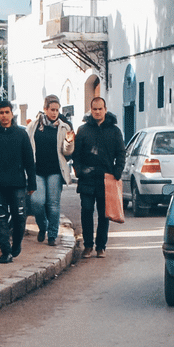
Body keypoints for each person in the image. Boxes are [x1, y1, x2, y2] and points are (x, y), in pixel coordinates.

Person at [0, 100, 35, 263]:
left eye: (7, 112)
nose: (4, 116)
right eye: (1, 112)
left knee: (19, 217)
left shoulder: (21, 134)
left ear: (12, 114)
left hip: (17, 184)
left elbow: (29, 161)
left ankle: (16, 244)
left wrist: (32, 183)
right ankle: (6, 251)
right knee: (1, 218)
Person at [73, 94, 126, 258]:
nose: (97, 112)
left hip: (107, 179)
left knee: (104, 214)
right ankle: (88, 246)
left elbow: (121, 154)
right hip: (87, 179)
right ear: (91, 110)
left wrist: (117, 172)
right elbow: (76, 154)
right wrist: (79, 170)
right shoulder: (83, 130)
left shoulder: (115, 131)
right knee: (86, 211)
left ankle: (101, 246)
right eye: (94, 109)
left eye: (100, 109)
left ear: (105, 110)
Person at [31, 95, 73, 245]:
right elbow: (28, 147)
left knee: (53, 205)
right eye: (52, 109)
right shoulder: (34, 126)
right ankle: (43, 226)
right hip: (37, 171)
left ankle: (52, 236)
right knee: (37, 202)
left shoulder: (64, 127)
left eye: (57, 110)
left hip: (55, 171)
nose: (55, 113)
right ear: (45, 109)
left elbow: (67, 152)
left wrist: (69, 142)